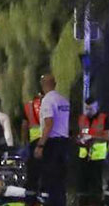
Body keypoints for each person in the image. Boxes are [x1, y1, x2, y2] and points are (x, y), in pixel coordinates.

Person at [34, 74, 70, 206]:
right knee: (60, 180)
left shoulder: (47, 101)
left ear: (43, 85)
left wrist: (40, 145)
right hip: (64, 143)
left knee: (51, 179)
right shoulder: (64, 101)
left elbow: (49, 123)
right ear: (55, 84)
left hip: (52, 144)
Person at [75, 97, 109, 205]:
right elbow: (78, 135)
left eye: (91, 109)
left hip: (97, 157)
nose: (88, 111)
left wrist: (92, 137)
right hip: (83, 156)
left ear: (97, 107)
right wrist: (79, 139)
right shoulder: (81, 118)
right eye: (86, 108)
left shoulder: (103, 118)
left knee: (96, 185)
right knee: (82, 185)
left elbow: (108, 137)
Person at [21, 94, 42, 204]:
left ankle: (31, 198)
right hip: (48, 142)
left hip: (33, 142)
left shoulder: (28, 107)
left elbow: (24, 126)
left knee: (32, 173)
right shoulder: (49, 104)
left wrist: (25, 143)